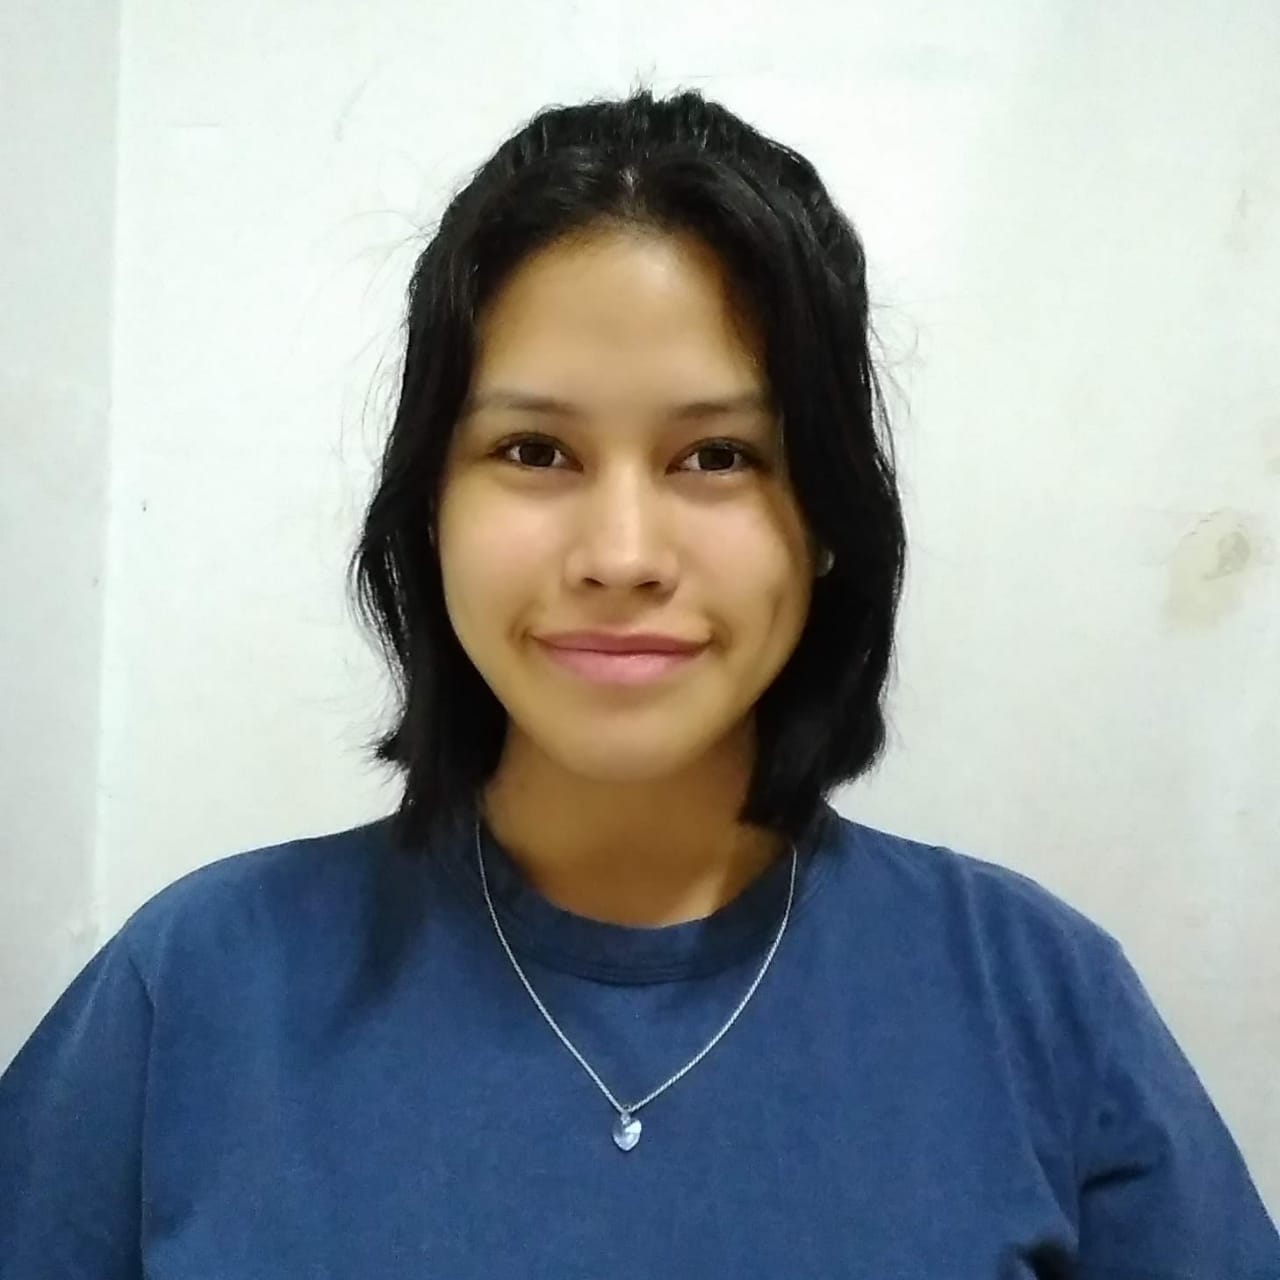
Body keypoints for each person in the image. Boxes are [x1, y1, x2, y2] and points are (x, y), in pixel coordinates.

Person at [1, 85, 1276, 1279]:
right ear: (429, 506)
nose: (619, 554)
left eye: (717, 455)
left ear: (827, 517)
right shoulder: (200, 986)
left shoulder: (1037, 999)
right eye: (533, 449)